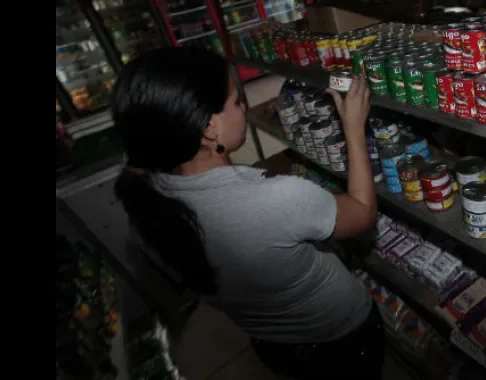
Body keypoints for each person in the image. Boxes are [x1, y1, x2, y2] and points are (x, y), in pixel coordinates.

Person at [111, 47, 384, 379]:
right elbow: (363, 212)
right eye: (237, 100)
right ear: (210, 129)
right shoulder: (276, 199)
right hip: (342, 338)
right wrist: (353, 129)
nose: (245, 106)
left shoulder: (146, 208)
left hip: (274, 346)